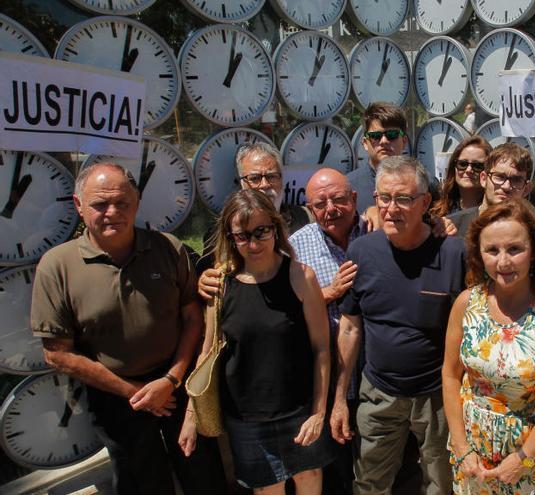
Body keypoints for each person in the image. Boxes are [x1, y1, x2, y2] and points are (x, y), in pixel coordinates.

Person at [31, 163, 226, 495]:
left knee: (204, 475)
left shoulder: (167, 248)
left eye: (122, 202)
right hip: (116, 400)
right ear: (79, 206)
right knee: (141, 481)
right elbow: (57, 354)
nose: (112, 212)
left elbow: (193, 317)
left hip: (178, 388)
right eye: (100, 204)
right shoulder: (57, 266)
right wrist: (135, 392)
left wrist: (171, 380)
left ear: (136, 203)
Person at [179, 189, 335, 494]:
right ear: (230, 237)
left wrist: (318, 413)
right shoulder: (221, 284)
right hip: (247, 418)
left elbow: (321, 350)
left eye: (261, 231)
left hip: (299, 410)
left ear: (276, 228)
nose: (253, 244)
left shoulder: (301, 277)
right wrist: (190, 417)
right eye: (242, 235)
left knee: (309, 479)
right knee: (267, 489)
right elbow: (207, 353)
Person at [331, 156, 466, 495]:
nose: (392, 208)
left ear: (425, 202)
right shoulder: (361, 252)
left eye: (403, 198)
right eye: (384, 198)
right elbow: (349, 328)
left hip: (436, 396)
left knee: (441, 483)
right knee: (369, 482)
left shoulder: (453, 252)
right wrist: (339, 398)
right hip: (378, 392)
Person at [442, 199, 535, 494]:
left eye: (514, 249)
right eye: (492, 250)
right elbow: (451, 376)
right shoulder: (466, 303)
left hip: (534, 457)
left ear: (534, 251)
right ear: (479, 254)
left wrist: (522, 459)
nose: (503, 262)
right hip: (474, 455)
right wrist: (461, 447)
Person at [289, 168, 366, 495]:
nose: (330, 209)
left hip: (374, 373)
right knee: (335, 467)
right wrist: (329, 292)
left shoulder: (377, 230)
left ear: (354, 199)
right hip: (326, 372)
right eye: (320, 204)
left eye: (338, 199)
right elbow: (286, 305)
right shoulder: (297, 245)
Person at [197, 142, 311, 274]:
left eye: (272, 176)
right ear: (241, 183)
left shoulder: (305, 218)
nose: (264, 185)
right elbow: (209, 280)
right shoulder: (220, 233)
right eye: (255, 178)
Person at [447, 143, 534, 238]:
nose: (506, 186)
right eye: (499, 177)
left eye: (516, 180)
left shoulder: (533, 234)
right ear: (483, 179)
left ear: (526, 189)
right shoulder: (451, 227)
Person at [349, 102, 411, 213]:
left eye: (392, 135)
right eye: (375, 136)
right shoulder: (348, 188)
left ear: (404, 141)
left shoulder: (425, 183)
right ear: (364, 143)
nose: (384, 141)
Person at [431, 136, 492, 218]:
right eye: (463, 164)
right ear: (454, 167)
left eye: (477, 166)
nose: (469, 170)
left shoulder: (494, 215)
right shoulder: (438, 212)